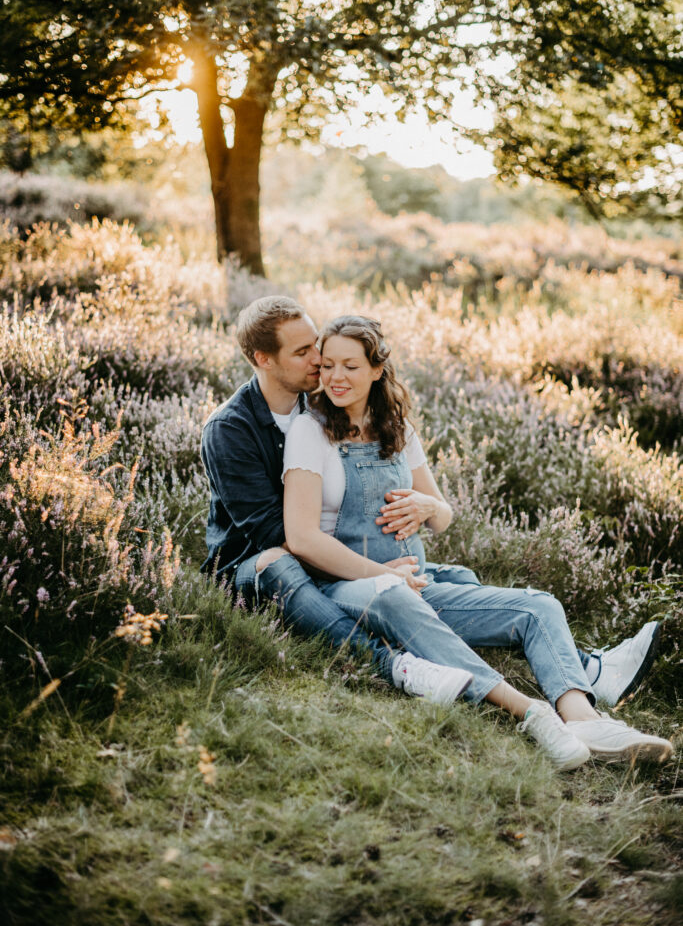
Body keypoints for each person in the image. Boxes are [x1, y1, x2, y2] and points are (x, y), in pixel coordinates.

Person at [200, 296, 665, 763]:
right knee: (394, 590)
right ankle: (528, 710)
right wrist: (380, 572)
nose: (324, 367)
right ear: (263, 359)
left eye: (343, 362)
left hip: (394, 573)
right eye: (313, 356)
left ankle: (587, 719)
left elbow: (441, 512)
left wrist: (427, 508)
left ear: (377, 370)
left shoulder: (381, 423)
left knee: (536, 605)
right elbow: (289, 538)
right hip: (300, 575)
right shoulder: (286, 427)